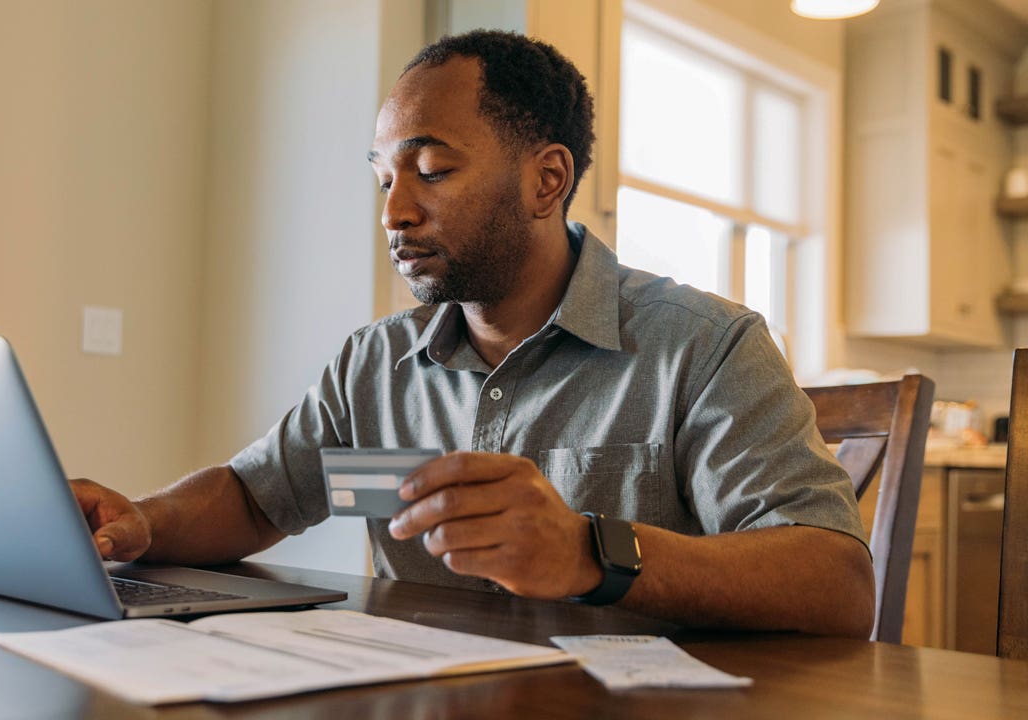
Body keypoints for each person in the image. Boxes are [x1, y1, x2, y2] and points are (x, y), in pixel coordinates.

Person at [72, 30, 875, 638]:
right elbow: (256, 496)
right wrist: (142, 522)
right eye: (384, 178)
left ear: (546, 180)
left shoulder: (706, 346)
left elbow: (835, 583)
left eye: (432, 170)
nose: (394, 211)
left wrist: (592, 552)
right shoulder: (375, 362)